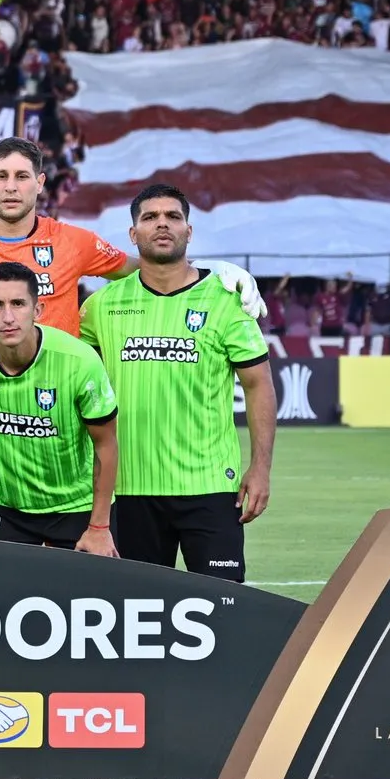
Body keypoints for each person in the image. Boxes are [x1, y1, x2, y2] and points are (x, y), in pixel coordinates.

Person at [0, 137, 264, 534]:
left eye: (22, 177)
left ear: (40, 183)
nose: (11, 187)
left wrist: (209, 270)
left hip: (63, 421)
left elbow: (144, 267)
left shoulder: (73, 241)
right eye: (2, 176)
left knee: (73, 545)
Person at [79, 184, 275, 583]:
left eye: (173, 216)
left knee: (223, 606)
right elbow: (71, 377)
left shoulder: (226, 301)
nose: (162, 224)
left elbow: (258, 385)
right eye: (150, 217)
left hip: (210, 488)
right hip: (129, 488)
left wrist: (260, 469)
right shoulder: (102, 306)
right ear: (133, 234)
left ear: (189, 231)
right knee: (139, 609)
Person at [0, 261, 118, 552]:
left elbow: (105, 445)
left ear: (38, 310)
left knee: (87, 583)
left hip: (77, 505)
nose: (8, 317)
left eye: (18, 304)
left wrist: (99, 527)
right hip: (7, 504)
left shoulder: (79, 361)